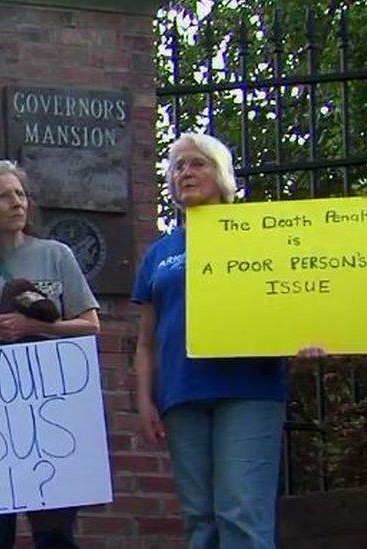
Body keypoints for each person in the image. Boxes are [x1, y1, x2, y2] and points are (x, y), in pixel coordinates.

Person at [132, 133, 326, 548]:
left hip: (248, 388)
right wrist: (145, 398)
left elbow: (293, 303)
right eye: (179, 166)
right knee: (199, 518)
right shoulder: (159, 253)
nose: (186, 172)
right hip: (183, 395)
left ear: (221, 176)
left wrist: (308, 338)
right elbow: (146, 340)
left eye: (197, 163)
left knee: (242, 510)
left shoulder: (259, 237)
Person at [0, 160, 100, 549]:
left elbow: (91, 325)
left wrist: (37, 328)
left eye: (20, 194)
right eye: (4, 196)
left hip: (51, 410)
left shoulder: (56, 255)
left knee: (55, 530)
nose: (17, 202)